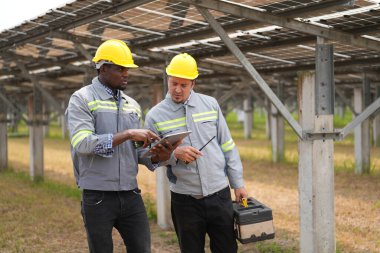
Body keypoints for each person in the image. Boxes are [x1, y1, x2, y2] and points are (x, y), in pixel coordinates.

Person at [65, 39, 175, 253]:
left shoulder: (132, 105)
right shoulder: (82, 99)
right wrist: (128, 133)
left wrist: (158, 155)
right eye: (121, 68)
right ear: (103, 68)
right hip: (97, 196)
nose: (126, 73)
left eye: (128, 69)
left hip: (130, 193)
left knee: (142, 249)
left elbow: (137, 152)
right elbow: (82, 143)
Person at [144, 53, 248, 253]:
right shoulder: (155, 116)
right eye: (174, 83)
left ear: (193, 83)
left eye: (184, 85)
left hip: (219, 195)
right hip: (185, 200)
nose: (177, 90)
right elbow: (150, 158)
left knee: (227, 248)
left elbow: (227, 145)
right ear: (168, 79)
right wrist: (175, 155)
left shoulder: (210, 105)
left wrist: (238, 183)